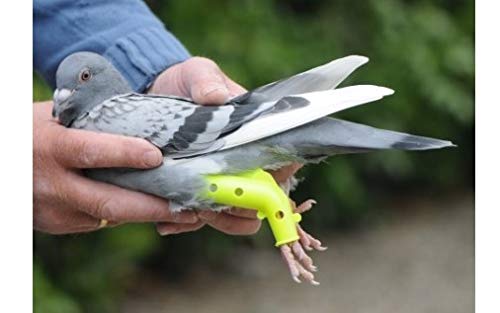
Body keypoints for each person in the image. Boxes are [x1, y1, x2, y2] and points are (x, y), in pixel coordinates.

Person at [33, 0, 299, 236]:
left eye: (84, 79)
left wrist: (150, 71)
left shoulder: (107, 117)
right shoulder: (86, 116)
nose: (62, 96)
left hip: (220, 131)